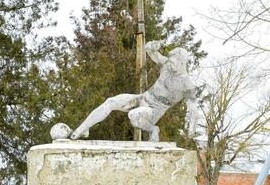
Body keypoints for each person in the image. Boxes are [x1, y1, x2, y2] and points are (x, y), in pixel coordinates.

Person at [70, 40, 198, 141]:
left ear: (182, 63)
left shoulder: (187, 85)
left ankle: (153, 129)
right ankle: (81, 130)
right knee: (111, 101)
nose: (170, 64)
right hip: (144, 97)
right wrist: (153, 46)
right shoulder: (166, 64)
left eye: (174, 63)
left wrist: (191, 130)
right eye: (170, 61)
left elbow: (193, 108)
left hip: (154, 110)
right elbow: (149, 50)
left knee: (133, 115)